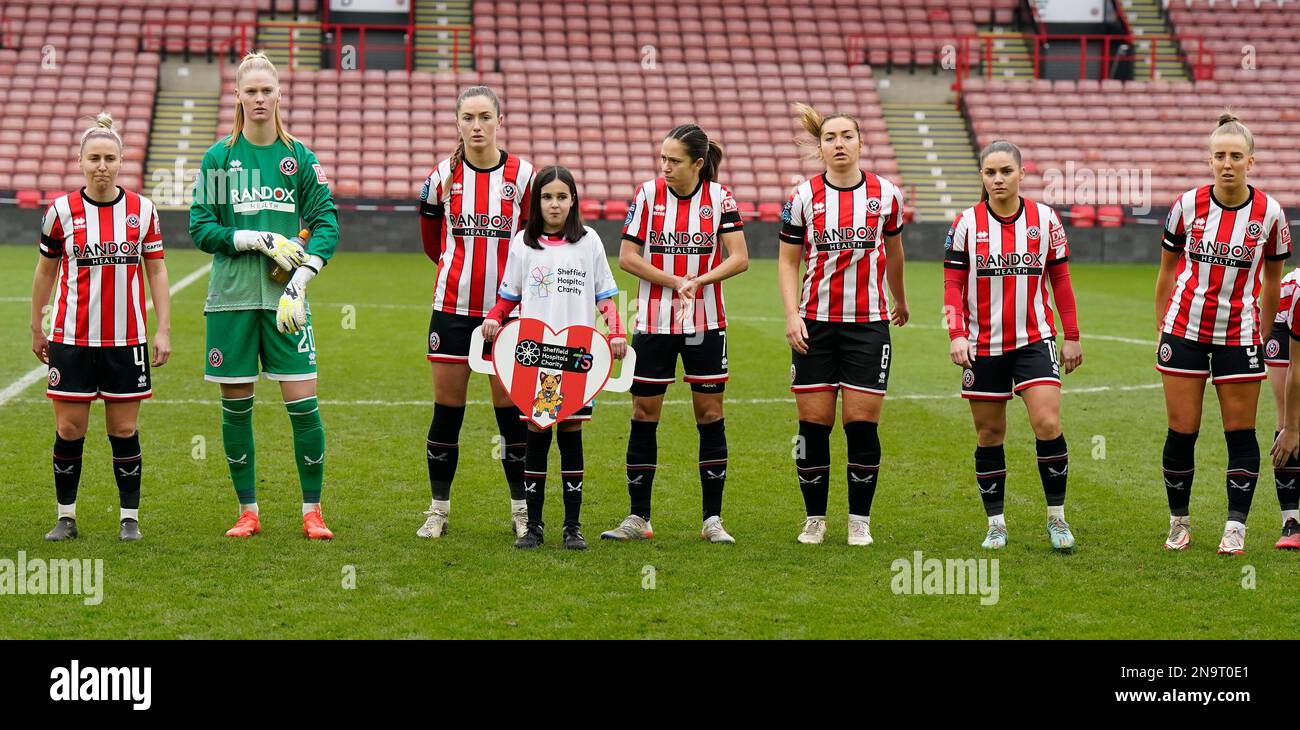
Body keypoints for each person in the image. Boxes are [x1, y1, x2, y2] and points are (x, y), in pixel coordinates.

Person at [189, 51, 340, 539]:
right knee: (236, 408)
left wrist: (301, 280)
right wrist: (252, 238)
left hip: (285, 305)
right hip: (230, 301)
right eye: (249, 90)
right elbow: (200, 227)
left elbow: (326, 224)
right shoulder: (219, 158)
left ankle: (312, 511)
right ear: (237, 95)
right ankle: (248, 510)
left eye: (266, 90)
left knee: (304, 406)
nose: (259, 98)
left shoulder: (300, 158)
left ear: (279, 95)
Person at [602, 123, 749, 543]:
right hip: (652, 322)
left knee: (710, 414)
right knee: (643, 414)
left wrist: (700, 281)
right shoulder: (647, 195)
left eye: (674, 160)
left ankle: (712, 520)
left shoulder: (719, 199)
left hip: (706, 322)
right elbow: (627, 257)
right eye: (662, 158)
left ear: (698, 164)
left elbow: (739, 258)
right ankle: (638, 518)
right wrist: (673, 280)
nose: (664, 166)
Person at [31, 112, 171, 542]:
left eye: (110, 157)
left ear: (122, 161)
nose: (102, 166)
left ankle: (129, 518)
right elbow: (45, 271)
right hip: (71, 338)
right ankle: (66, 517)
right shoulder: (60, 211)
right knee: (70, 429)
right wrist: (37, 326)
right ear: (80, 161)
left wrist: (162, 329)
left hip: (126, 340)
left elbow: (157, 272)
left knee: (123, 430)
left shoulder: (142, 211)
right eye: (94, 158)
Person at [1157, 112, 1289, 554]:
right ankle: (1179, 522)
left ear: (1251, 161)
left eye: (1235, 156)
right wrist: (1164, 327)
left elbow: (1274, 279)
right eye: (1219, 156)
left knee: (1240, 432)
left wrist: (1265, 332)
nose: (1226, 163)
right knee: (1182, 431)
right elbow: (1166, 273)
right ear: (1209, 161)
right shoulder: (1185, 206)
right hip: (1185, 330)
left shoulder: (1270, 213)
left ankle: (1236, 527)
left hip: (1240, 335)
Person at [778, 102, 908, 546]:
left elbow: (894, 252)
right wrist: (792, 314)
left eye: (846, 137)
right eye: (830, 138)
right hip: (814, 324)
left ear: (860, 142)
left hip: (868, 326)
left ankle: (859, 521)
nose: (839, 144)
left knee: (861, 423)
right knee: (813, 425)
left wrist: (900, 299)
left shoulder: (887, 194)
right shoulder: (802, 197)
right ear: (821, 146)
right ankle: (815, 519)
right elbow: (787, 261)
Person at [943, 139, 1083, 551]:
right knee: (990, 433)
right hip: (982, 345)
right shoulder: (966, 223)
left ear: (1021, 173)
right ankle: (996, 524)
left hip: (1034, 340)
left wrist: (1071, 335)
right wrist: (956, 333)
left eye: (1006, 171)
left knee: (1048, 424)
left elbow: (1060, 280)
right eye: (991, 172)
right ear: (982, 177)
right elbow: (952, 285)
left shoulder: (1045, 220)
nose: (999, 179)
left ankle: (1057, 520)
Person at [481, 166, 627, 550]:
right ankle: (533, 526)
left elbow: (604, 298)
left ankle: (572, 526)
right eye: (547, 197)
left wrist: (616, 331)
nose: (554, 204)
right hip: (534, 357)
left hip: (576, 357)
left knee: (572, 434)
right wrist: (494, 318)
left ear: (573, 200)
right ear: (537, 202)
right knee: (536, 435)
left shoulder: (589, 241)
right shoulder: (523, 244)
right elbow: (508, 297)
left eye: (562, 197)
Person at [416, 85, 536, 540]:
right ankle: (438, 509)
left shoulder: (524, 176)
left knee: (510, 415)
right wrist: (458, 271)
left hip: (508, 314)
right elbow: (432, 244)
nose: (477, 126)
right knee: (448, 412)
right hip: (451, 310)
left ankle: (522, 509)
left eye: (486, 117)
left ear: (500, 121)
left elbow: (535, 243)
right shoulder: (441, 179)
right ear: (458, 123)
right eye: (469, 118)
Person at [1263, 267, 1300, 549]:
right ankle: (1291, 522)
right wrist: (1291, 427)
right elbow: (1296, 371)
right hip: (1283, 317)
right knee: (1290, 416)